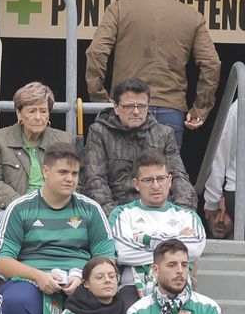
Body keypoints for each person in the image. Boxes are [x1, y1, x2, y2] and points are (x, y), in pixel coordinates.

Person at [0, 142, 119, 314]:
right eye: (63, 172)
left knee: (112, 298)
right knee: (16, 301)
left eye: (74, 173)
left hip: (81, 281)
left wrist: (83, 279)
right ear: (45, 171)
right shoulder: (20, 208)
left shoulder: (91, 209)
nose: (70, 179)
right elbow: (2, 261)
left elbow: (107, 259)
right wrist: (38, 276)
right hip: (31, 280)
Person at [85, 0, 221, 149]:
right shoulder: (192, 16)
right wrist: (200, 108)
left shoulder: (119, 9)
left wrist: (100, 98)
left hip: (127, 106)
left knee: (123, 176)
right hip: (170, 110)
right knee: (160, 178)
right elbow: (211, 64)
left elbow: (96, 52)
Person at [84, 80, 196, 216]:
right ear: (116, 106)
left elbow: (179, 177)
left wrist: (184, 213)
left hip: (158, 213)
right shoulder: (99, 132)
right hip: (116, 212)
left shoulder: (164, 134)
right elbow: (95, 180)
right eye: (130, 106)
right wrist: (116, 217)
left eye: (142, 106)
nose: (136, 112)